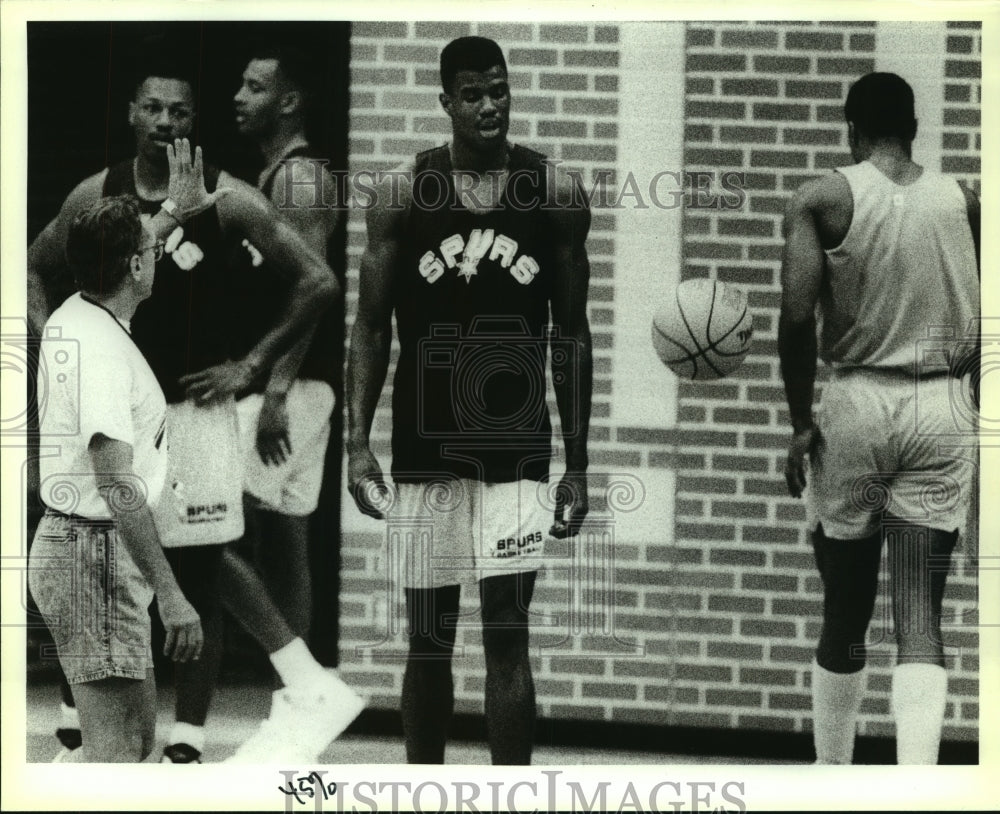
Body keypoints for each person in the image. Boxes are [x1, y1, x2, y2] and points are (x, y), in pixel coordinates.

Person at [27, 51, 360, 764]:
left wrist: (252, 367)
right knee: (108, 548)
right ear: (131, 112)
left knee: (201, 560)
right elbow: (37, 263)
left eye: (181, 110)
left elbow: (318, 280)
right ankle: (79, 722)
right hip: (115, 413)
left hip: (188, 407)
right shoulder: (98, 202)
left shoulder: (227, 196)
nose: (166, 121)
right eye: (154, 107)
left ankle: (197, 727)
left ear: (193, 122)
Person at [346, 36, 592, 765]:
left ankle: (507, 792)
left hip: (516, 443)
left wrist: (577, 464)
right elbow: (368, 325)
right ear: (446, 100)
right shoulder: (401, 192)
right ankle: (427, 788)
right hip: (425, 441)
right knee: (428, 640)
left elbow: (571, 336)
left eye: (500, 91)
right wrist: (357, 443)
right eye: (474, 94)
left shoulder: (553, 191)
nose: (491, 106)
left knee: (508, 634)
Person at [779, 72, 980, 765]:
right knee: (920, 616)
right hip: (942, 404)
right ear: (915, 129)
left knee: (846, 612)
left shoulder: (825, 198)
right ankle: (915, 790)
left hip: (859, 403)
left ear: (851, 130)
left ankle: (832, 778)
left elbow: (796, 321)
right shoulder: (965, 201)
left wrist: (801, 422)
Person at [29, 141, 213, 761]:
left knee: (132, 744)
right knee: (116, 758)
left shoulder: (76, 308)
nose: (156, 251)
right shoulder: (104, 353)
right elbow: (116, 483)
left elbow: (125, 246)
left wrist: (174, 213)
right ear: (135, 269)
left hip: (93, 553)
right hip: (92, 553)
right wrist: (173, 594)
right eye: (149, 249)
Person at [229, 42, 341, 657]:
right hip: (300, 386)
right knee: (286, 541)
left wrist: (274, 392)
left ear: (289, 101)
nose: (238, 98)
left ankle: (299, 683)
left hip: (289, 388)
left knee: (215, 537)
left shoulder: (299, 177)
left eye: (254, 87)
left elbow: (316, 289)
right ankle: (298, 698)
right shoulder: (274, 176)